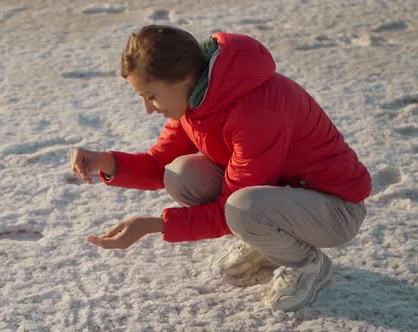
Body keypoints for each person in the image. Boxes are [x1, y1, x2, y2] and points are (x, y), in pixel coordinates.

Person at [70, 25, 371, 311]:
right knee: (181, 174)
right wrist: (104, 162)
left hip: (335, 209)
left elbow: (230, 207)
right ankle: (263, 240)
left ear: (183, 77)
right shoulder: (197, 100)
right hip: (281, 196)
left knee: (241, 209)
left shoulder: (257, 110)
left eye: (151, 96)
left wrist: (154, 224)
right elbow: (158, 165)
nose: (148, 109)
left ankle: (307, 264)